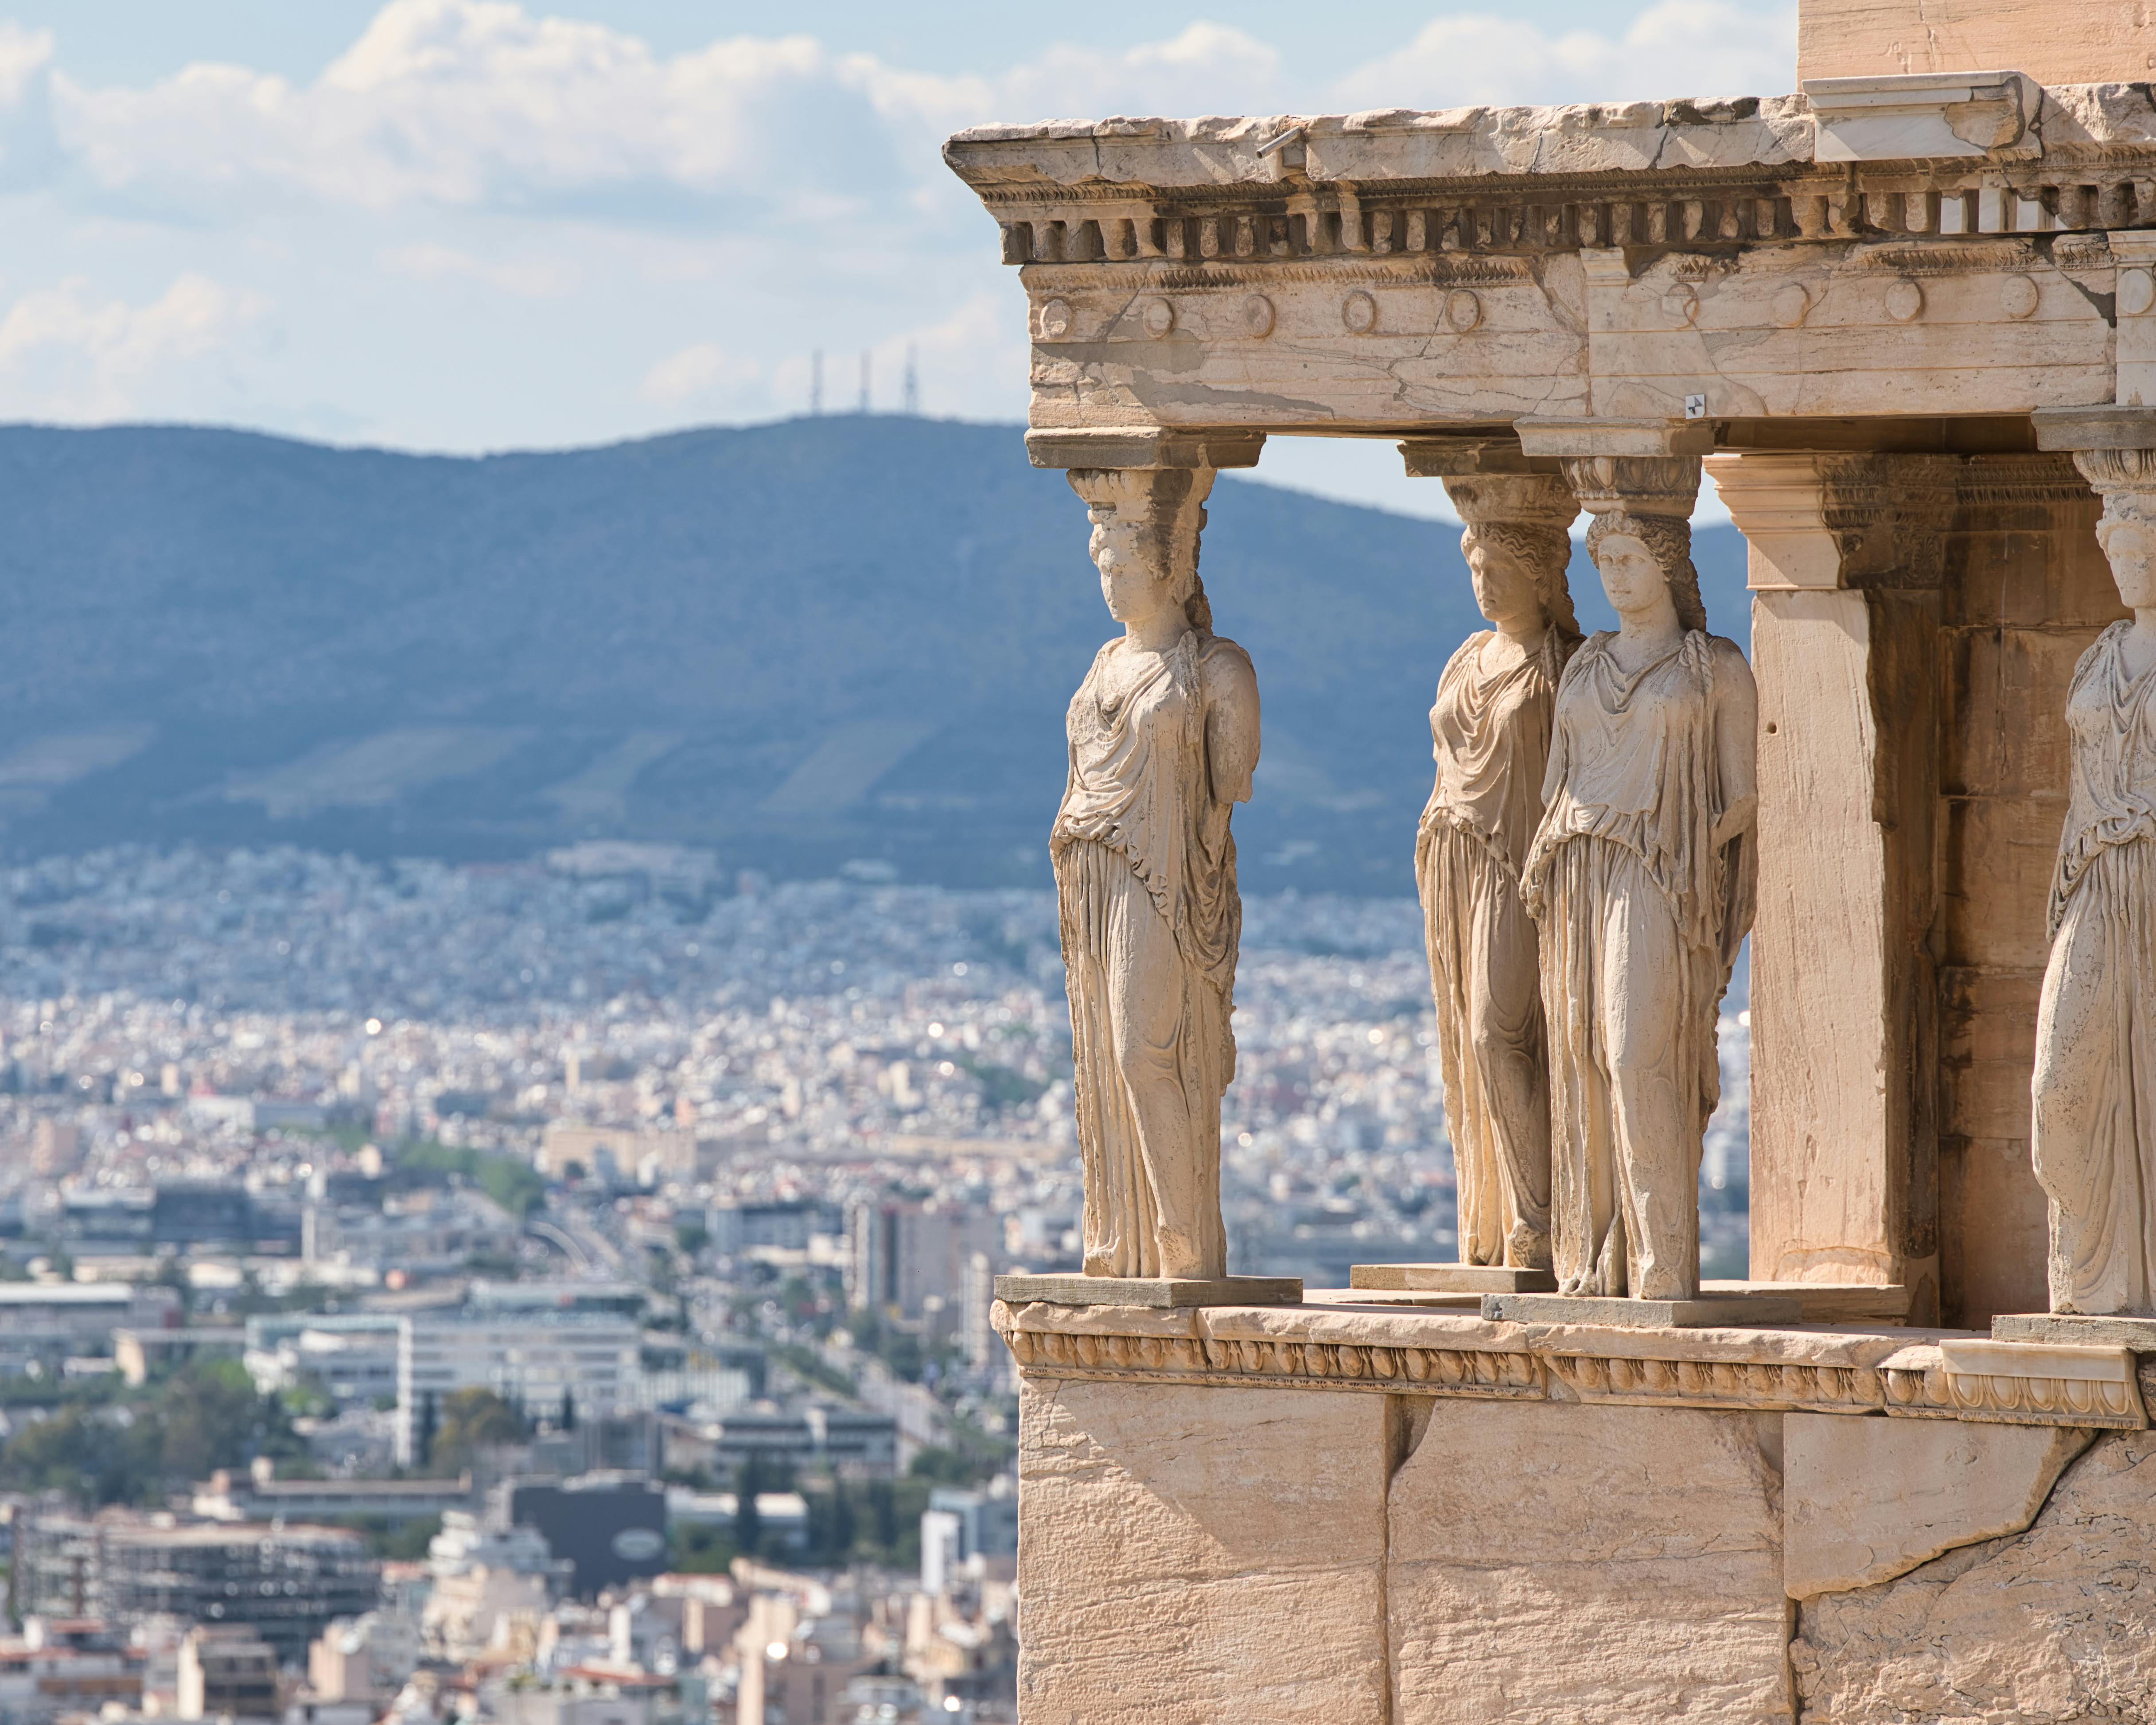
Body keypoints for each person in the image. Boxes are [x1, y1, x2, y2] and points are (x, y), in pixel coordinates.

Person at [1522, 501, 1756, 1300]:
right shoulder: (1583, 668)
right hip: (1577, 869)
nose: (1614, 577)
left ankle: (1660, 1264)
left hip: (1663, 873)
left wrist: (1683, 844)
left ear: (1667, 565)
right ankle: (1596, 1260)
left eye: (1628, 559)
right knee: (1584, 1058)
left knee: (1634, 1052)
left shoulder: (1713, 667)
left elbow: (1743, 795)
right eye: (1603, 562)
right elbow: (1557, 780)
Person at [1051, 467, 1259, 1280]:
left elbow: (1230, 782)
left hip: (1164, 877)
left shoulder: (1216, 669)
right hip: (1091, 871)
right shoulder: (1103, 662)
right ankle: (1125, 1238)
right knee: (1105, 1053)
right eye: (1103, 569)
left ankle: (1181, 1238)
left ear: (1172, 568)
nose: (1111, 584)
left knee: (1146, 1050)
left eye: (1125, 567)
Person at [1417, 502, 1579, 1269]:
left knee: (1498, 1028)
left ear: (1545, 577)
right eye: (1475, 568)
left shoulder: (1566, 667)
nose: (1483, 584)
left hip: (1523, 867)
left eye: (1501, 570)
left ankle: (1544, 1215)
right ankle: (1512, 1210)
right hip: (1457, 862)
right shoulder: (1464, 658)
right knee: (1474, 1034)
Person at [2031, 486, 2156, 1316]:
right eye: (2115, 546)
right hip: (2092, 876)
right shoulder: (2097, 656)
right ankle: (2089, 1283)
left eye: (2140, 543)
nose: (2124, 562)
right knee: (2057, 1093)